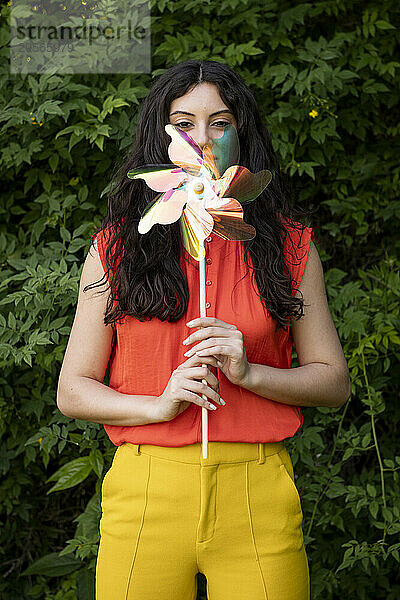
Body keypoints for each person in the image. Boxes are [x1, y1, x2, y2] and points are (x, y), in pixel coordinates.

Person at [57, 60, 351, 600]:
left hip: (256, 490)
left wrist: (250, 372)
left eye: (220, 123)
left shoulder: (290, 248)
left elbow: (333, 383)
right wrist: (157, 406)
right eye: (184, 124)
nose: (204, 140)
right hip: (146, 489)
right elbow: (72, 390)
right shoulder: (116, 249)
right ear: (159, 138)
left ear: (243, 133)